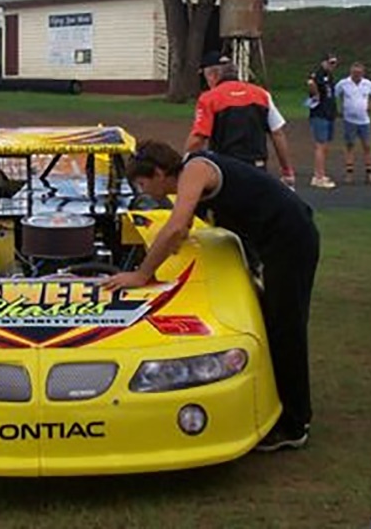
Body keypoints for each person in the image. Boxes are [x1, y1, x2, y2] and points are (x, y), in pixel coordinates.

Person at [104, 140, 319, 451]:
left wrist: (141, 274)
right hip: (274, 240)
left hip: (291, 237)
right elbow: (186, 221)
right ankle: (279, 406)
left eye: (142, 183)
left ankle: (295, 423)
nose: (142, 192)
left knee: (286, 327)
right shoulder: (190, 176)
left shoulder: (195, 169)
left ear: (161, 173)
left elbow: (177, 226)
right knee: (273, 321)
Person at [187, 55, 296, 188]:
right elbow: (277, 134)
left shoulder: (209, 99)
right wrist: (287, 171)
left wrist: (184, 163)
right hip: (257, 166)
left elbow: (198, 139)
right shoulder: (261, 94)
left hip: (226, 167)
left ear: (213, 75)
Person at [334, 62, 371, 185]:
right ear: (351, 72)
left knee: (367, 146)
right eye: (355, 73)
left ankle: (369, 173)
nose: (357, 75)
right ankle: (349, 173)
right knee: (350, 145)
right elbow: (335, 94)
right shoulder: (343, 83)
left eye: (359, 73)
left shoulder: (367, 84)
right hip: (349, 120)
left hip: (364, 120)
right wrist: (339, 109)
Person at [307, 53, 339, 189]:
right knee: (320, 145)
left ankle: (319, 173)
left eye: (334, 63)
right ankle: (319, 177)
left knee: (325, 145)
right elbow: (310, 82)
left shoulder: (330, 76)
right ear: (324, 62)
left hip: (329, 113)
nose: (333, 66)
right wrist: (316, 95)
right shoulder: (319, 74)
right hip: (320, 113)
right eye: (330, 63)